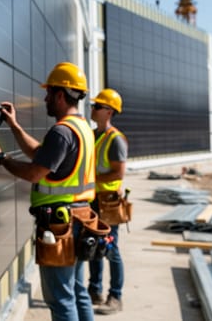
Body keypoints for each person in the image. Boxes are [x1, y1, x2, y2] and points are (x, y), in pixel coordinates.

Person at [0, 62, 97, 321]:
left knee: (60, 299)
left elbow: (34, 172)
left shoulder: (62, 132)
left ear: (61, 95)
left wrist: (1, 157)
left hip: (61, 224)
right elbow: (41, 155)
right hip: (81, 218)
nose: (45, 99)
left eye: (49, 94)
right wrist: (14, 125)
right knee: (76, 291)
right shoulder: (82, 128)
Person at [86, 88, 127, 315]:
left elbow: (118, 174)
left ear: (109, 112)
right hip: (93, 200)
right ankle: (94, 290)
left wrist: (91, 179)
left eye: (97, 106)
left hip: (108, 202)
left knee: (111, 249)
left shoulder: (116, 140)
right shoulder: (93, 135)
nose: (93, 109)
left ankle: (116, 296)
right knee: (93, 246)